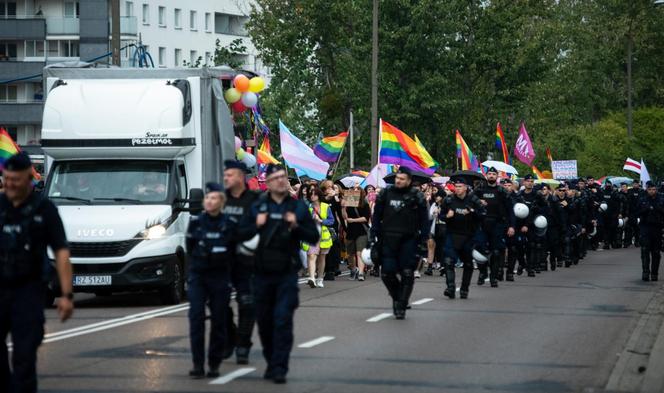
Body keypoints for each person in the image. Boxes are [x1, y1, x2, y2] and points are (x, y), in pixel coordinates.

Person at [1, 152, 74, 393]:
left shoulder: (44, 209)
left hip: (29, 290)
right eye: (6, 178)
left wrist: (66, 295)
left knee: (24, 356)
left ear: (28, 179)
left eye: (16, 180)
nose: (10, 184)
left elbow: (61, 251)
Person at [240, 164, 319, 384]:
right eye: (276, 178)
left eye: (283, 177)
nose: (281, 181)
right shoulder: (257, 205)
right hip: (261, 273)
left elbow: (313, 237)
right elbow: (239, 233)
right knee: (265, 322)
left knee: (282, 319)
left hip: (286, 273)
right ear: (268, 181)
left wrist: (297, 227)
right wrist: (256, 224)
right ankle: (271, 359)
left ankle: (279, 366)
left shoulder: (298, 208)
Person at [185, 182, 235, 379]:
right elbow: (190, 246)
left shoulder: (228, 224)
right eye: (207, 198)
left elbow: (233, 252)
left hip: (219, 277)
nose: (209, 201)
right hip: (199, 275)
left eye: (214, 198)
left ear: (221, 202)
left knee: (219, 320)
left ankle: (213, 363)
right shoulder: (196, 222)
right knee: (196, 318)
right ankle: (198, 364)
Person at [370, 167, 428, 319]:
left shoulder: (417, 196)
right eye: (397, 178)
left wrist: (424, 241)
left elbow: (424, 221)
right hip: (388, 239)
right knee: (387, 273)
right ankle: (397, 297)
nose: (398, 181)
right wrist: (373, 235)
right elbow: (376, 216)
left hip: (409, 240)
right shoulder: (385, 194)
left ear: (409, 180)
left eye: (402, 179)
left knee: (407, 273)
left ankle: (402, 304)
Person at [222, 160, 259, 365]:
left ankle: (243, 344)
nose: (227, 178)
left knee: (247, 302)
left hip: (247, 261)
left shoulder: (255, 200)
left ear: (241, 177)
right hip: (222, 260)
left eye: (231, 175)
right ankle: (230, 336)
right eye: (225, 175)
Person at [440, 177, 486, 299]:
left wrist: (472, 212)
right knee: (449, 261)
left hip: (468, 236)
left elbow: (483, 214)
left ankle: (464, 289)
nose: (457, 189)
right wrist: (447, 216)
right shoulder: (449, 200)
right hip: (452, 234)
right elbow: (441, 215)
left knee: (468, 263)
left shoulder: (473, 199)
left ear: (465, 187)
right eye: (456, 186)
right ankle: (450, 287)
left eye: (460, 186)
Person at [475, 167, 515, 286]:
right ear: (486, 176)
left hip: (497, 225)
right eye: (489, 174)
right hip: (482, 224)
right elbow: (469, 201)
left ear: (497, 176)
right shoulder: (479, 189)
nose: (491, 175)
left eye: (493, 174)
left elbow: (510, 210)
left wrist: (511, 226)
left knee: (496, 252)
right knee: (479, 250)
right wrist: (478, 201)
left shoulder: (502, 191)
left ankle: (493, 277)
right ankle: (482, 273)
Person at [304, 186, 334, 288]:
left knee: (322, 257)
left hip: (324, 235)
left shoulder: (325, 206)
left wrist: (321, 220)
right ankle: (312, 278)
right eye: (311, 194)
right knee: (311, 255)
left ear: (319, 195)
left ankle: (320, 278)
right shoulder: (308, 207)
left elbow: (331, 221)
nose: (312, 196)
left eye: (315, 194)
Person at [342, 187, 371, 281]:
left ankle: (361, 273)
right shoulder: (349, 204)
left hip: (361, 231)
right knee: (350, 253)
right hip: (350, 231)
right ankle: (354, 269)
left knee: (359, 253)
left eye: (357, 191)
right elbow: (345, 217)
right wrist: (343, 208)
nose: (354, 193)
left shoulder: (365, 204)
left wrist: (353, 220)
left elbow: (366, 218)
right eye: (353, 191)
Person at [637, 181, 663, 282]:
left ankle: (654, 273)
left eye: (654, 189)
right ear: (647, 190)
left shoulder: (661, 199)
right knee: (645, 251)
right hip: (645, 227)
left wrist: (657, 208)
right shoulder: (642, 199)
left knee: (656, 252)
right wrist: (646, 209)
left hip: (657, 227)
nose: (652, 191)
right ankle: (645, 272)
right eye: (650, 189)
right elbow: (636, 212)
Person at [599, 180, 623, 249]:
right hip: (605, 215)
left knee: (613, 229)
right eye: (607, 184)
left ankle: (613, 243)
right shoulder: (603, 192)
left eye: (609, 184)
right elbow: (600, 201)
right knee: (606, 230)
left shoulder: (614, 193)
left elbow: (619, 203)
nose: (608, 185)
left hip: (613, 214)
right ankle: (607, 243)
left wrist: (619, 213)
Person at [625, 180, 643, 248]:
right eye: (634, 184)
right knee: (628, 228)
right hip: (631, 213)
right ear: (633, 184)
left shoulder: (641, 191)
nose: (635, 185)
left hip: (638, 213)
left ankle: (637, 242)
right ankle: (627, 242)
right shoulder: (630, 191)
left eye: (636, 184)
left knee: (637, 229)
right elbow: (627, 203)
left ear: (638, 184)